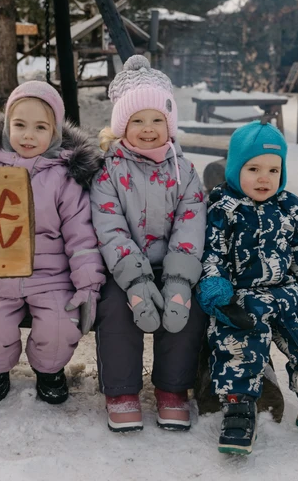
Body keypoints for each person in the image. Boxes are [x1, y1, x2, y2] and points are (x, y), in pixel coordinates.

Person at [197, 120, 298, 455]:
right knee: (239, 342)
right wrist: (217, 292)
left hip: (288, 292)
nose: (264, 178)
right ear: (235, 169)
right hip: (242, 295)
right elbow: (212, 255)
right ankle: (239, 405)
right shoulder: (222, 209)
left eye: (273, 169)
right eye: (253, 169)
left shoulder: (290, 208)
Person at [0, 80, 105, 404]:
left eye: (40, 127)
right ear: (6, 127)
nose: (28, 135)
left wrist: (87, 284)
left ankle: (49, 370)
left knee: (60, 326)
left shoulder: (64, 178)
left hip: (51, 275)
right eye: (20, 125)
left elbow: (81, 235)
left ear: (54, 132)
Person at [90, 55, 207, 433]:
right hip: (124, 269)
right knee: (115, 308)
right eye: (137, 120)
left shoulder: (185, 171)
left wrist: (179, 280)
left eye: (157, 120)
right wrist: (136, 281)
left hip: (173, 265)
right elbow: (109, 226)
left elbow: (191, 224)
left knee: (186, 309)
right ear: (122, 125)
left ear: (169, 124)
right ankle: (121, 391)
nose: (148, 129)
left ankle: (172, 388)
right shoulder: (109, 171)